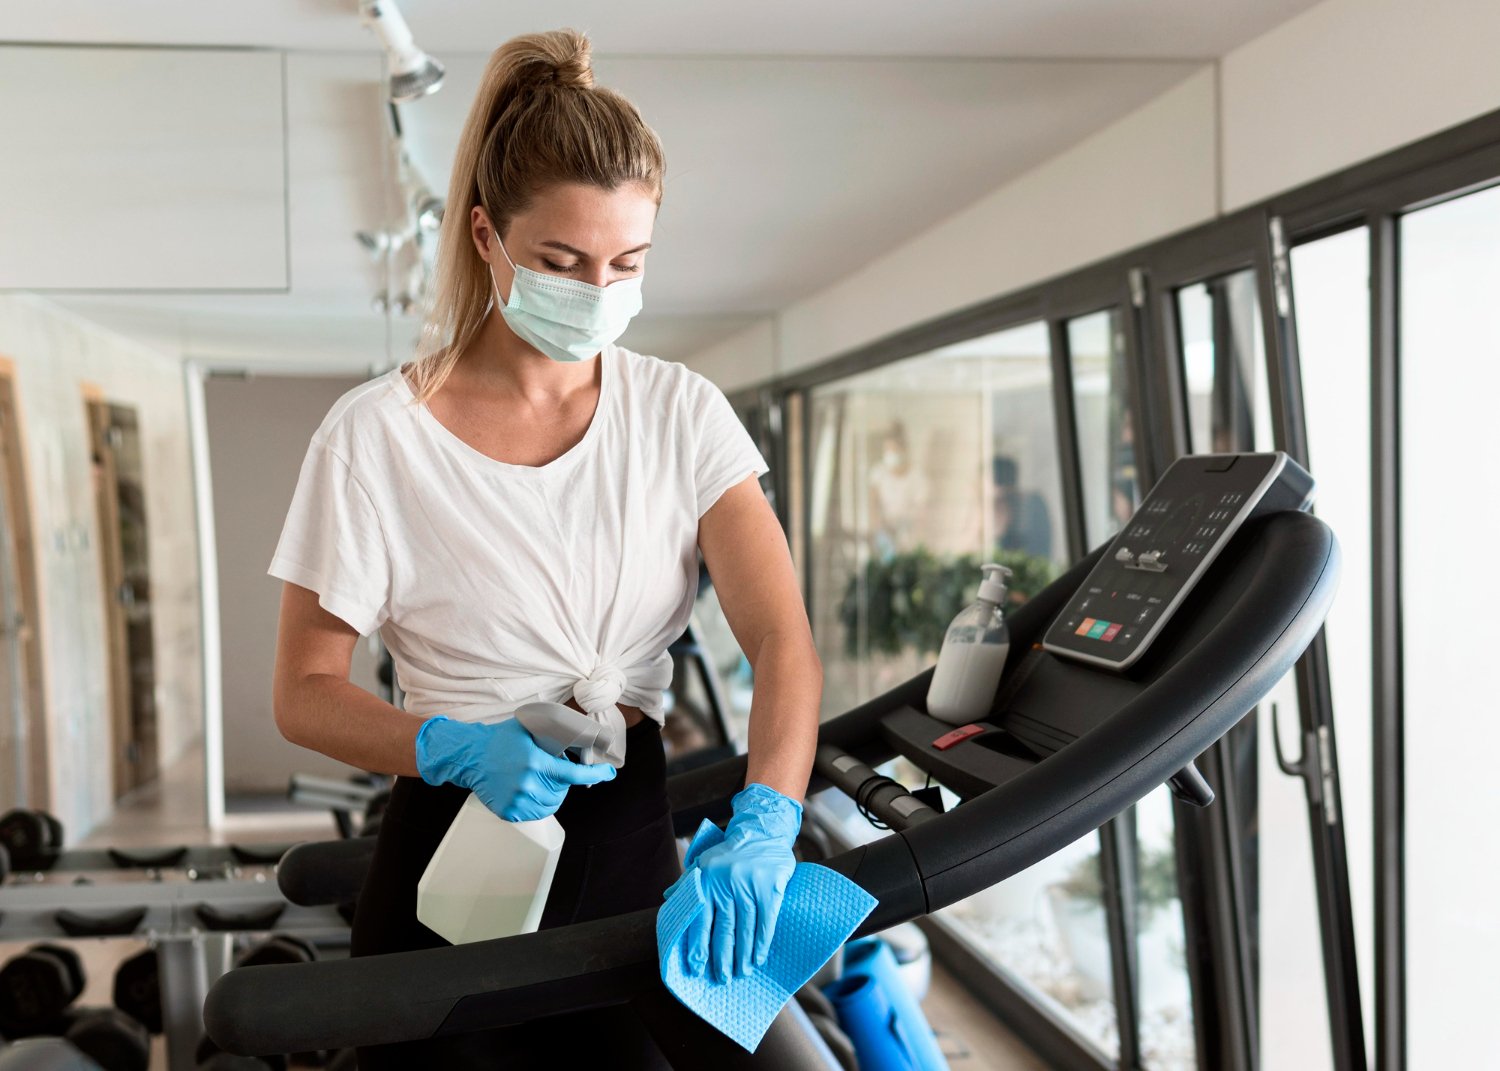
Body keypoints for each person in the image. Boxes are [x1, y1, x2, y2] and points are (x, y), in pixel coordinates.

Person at [266, 29, 821, 1069]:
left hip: (630, 851)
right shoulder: (376, 436)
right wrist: (452, 747)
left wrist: (767, 821)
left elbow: (781, 639)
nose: (597, 290)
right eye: (563, 262)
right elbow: (303, 692)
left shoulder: (682, 415)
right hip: (454, 843)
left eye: (627, 264)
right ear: (487, 234)